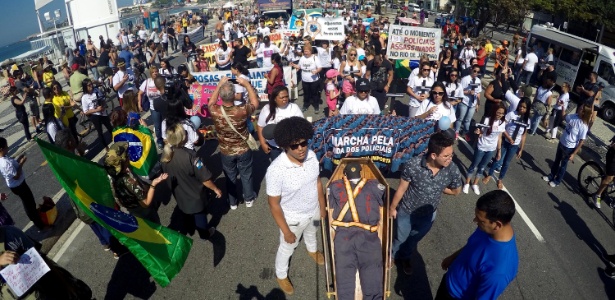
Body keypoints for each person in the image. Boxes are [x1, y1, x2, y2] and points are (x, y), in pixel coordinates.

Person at [266, 116, 326, 295]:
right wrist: (286, 231)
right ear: (285, 146)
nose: (301, 149)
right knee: (287, 247)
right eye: (294, 145)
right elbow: (274, 204)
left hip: (313, 211)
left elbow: (317, 182)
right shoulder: (276, 170)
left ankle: (312, 250)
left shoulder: (312, 156)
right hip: (292, 219)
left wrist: (321, 207)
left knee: (313, 232)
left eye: (303, 143)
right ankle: (281, 274)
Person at [389, 132, 462, 275]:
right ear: (433, 155)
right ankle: (393, 255)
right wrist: (392, 208)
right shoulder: (413, 165)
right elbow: (402, 188)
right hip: (407, 212)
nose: (450, 159)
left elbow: (456, 191)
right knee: (400, 237)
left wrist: (439, 187)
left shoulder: (452, 169)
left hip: (428, 216)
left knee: (413, 239)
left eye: (451, 155)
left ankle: (406, 257)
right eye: (446, 156)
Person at [437, 190, 519, 300]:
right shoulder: (489, 229)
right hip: (448, 282)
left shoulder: (500, 270)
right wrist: (453, 257)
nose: (475, 220)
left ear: (497, 225)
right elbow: (473, 246)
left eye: (480, 220)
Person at [328, 162, 385, 300]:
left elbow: (330, 205)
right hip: (368, 237)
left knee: (344, 273)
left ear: (345, 174)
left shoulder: (334, 186)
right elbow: (384, 199)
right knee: (371, 271)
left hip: (344, 236)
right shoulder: (375, 185)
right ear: (361, 172)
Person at [161, 123, 222, 238]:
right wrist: (216, 189)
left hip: (179, 194)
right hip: (195, 196)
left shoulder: (165, 155)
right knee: (200, 217)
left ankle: (189, 228)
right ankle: (205, 235)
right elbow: (205, 178)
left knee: (185, 213)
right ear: (183, 138)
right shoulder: (191, 156)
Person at [208, 77, 259, 210]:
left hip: (226, 150)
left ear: (221, 95)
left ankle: (233, 202)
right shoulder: (242, 110)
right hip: (243, 149)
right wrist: (246, 84)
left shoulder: (215, 110)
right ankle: (248, 198)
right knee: (246, 174)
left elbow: (211, 102)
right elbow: (255, 102)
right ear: (234, 95)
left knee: (230, 176)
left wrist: (219, 84)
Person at [105, 142, 164, 223]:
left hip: (132, 211)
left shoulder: (112, 178)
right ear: (123, 162)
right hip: (144, 212)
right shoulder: (129, 182)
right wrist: (153, 184)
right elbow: (146, 203)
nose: (129, 157)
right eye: (127, 156)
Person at [484, 97, 531, 190]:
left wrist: (521, 149)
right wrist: (508, 137)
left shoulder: (527, 121)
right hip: (506, 141)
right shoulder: (511, 114)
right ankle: (489, 174)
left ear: (528, 109)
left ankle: (500, 179)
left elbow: (524, 135)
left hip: (514, 145)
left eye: (524, 107)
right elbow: (502, 127)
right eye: (521, 106)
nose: (522, 108)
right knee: (498, 158)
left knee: (506, 163)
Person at [0, 138, 46, 230]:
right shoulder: (4, 163)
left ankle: (36, 217)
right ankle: (39, 224)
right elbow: (16, 175)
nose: (8, 148)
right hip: (18, 186)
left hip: (18, 184)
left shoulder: (4, 158)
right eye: (6, 146)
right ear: (1, 149)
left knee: (30, 202)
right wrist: (21, 163)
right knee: (29, 204)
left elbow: (12, 169)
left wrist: (17, 161)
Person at [463, 103, 507, 195]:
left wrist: (498, 151)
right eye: (498, 112)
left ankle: (475, 184)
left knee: (482, 167)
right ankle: (467, 183)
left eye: (502, 113)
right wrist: (478, 132)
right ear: (495, 111)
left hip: (491, 149)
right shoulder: (487, 120)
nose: (500, 115)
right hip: (482, 146)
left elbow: (499, 137)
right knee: (474, 165)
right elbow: (480, 131)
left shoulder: (502, 123)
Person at [542, 105, 591, 187]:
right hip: (562, 142)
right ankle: (551, 175)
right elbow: (565, 117)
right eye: (580, 107)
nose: (579, 109)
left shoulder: (583, 126)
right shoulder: (574, 116)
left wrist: (573, 154)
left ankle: (557, 181)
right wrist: (563, 107)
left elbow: (581, 141)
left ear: (584, 113)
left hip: (569, 147)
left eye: (581, 109)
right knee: (556, 160)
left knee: (563, 165)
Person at [257, 86, 304, 161]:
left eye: (286, 96)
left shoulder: (294, 108)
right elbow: (260, 126)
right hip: (274, 148)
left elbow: (302, 125)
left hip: (292, 147)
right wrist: (263, 143)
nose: (285, 99)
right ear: (275, 99)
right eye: (282, 97)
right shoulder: (266, 109)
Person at [81, 78, 113, 150]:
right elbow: (86, 111)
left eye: (91, 85)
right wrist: (96, 110)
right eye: (89, 85)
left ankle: (116, 138)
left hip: (102, 112)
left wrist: (104, 106)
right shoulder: (84, 97)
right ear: (85, 87)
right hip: (95, 115)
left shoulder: (96, 90)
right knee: (100, 131)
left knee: (109, 127)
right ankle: (106, 146)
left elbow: (103, 99)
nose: (91, 87)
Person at [291, 45, 322, 114]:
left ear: (310, 51)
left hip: (314, 80)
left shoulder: (315, 58)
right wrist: (294, 66)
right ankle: (305, 105)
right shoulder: (302, 58)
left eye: (307, 51)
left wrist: (316, 71)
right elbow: (299, 66)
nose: (306, 53)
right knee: (306, 94)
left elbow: (320, 67)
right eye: (304, 51)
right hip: (305, 79)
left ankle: (316, 106)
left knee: (314, 94)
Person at [455, 65, 482, 139]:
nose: (476, 73)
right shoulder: (465, 79)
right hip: (465, 102)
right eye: (474, 71)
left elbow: (478, 93)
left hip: (473, 103)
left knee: (468, 120)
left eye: (478, 72)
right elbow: (459, 91)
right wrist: (468, 92)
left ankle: (465, 132)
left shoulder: (478, 81)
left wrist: (478, 104)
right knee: (460, 118)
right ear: (471, 70)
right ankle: (456, 131)